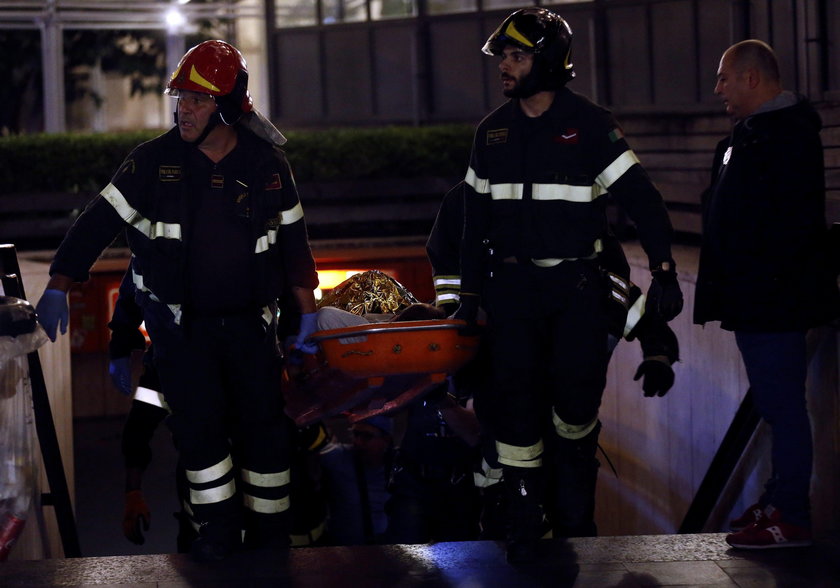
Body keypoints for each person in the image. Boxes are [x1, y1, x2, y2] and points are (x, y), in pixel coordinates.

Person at [34, 40, 320, 561]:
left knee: (267, 440)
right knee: (201, 439)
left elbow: (295, 243)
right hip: (182, 336)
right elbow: (97, 223)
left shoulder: (268, 165)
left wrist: (308, 310)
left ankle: (273, 546)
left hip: (251, 331)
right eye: (180, 97)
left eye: (196, 99)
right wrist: (59, 283)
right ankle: (217, 538)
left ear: (228, 107)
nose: (181, 109)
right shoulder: (151, 163)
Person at [452, 8, 683, 563]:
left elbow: (643, 201)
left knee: (575, 407)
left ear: (549, 61)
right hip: (512, 292)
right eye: (502, 57)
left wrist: (665, 270)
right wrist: (467, 303)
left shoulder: (591, 125)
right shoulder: (493, 133)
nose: (504, 67)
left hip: (577, 292)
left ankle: (577, 515)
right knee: (515, 408)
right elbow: (472, 225)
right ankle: (526, 513)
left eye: (517, 56)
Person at [694, 39, 840, 550]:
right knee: (778, 406)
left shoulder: (784, 138)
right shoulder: (752, 136)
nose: (717, 90)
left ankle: (792, 516)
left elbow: (780, 226)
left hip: (772, 300)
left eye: (724, 78)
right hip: (756, 298)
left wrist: (755, 283)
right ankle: (779, 502)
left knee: (783, 407)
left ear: (751, 78)